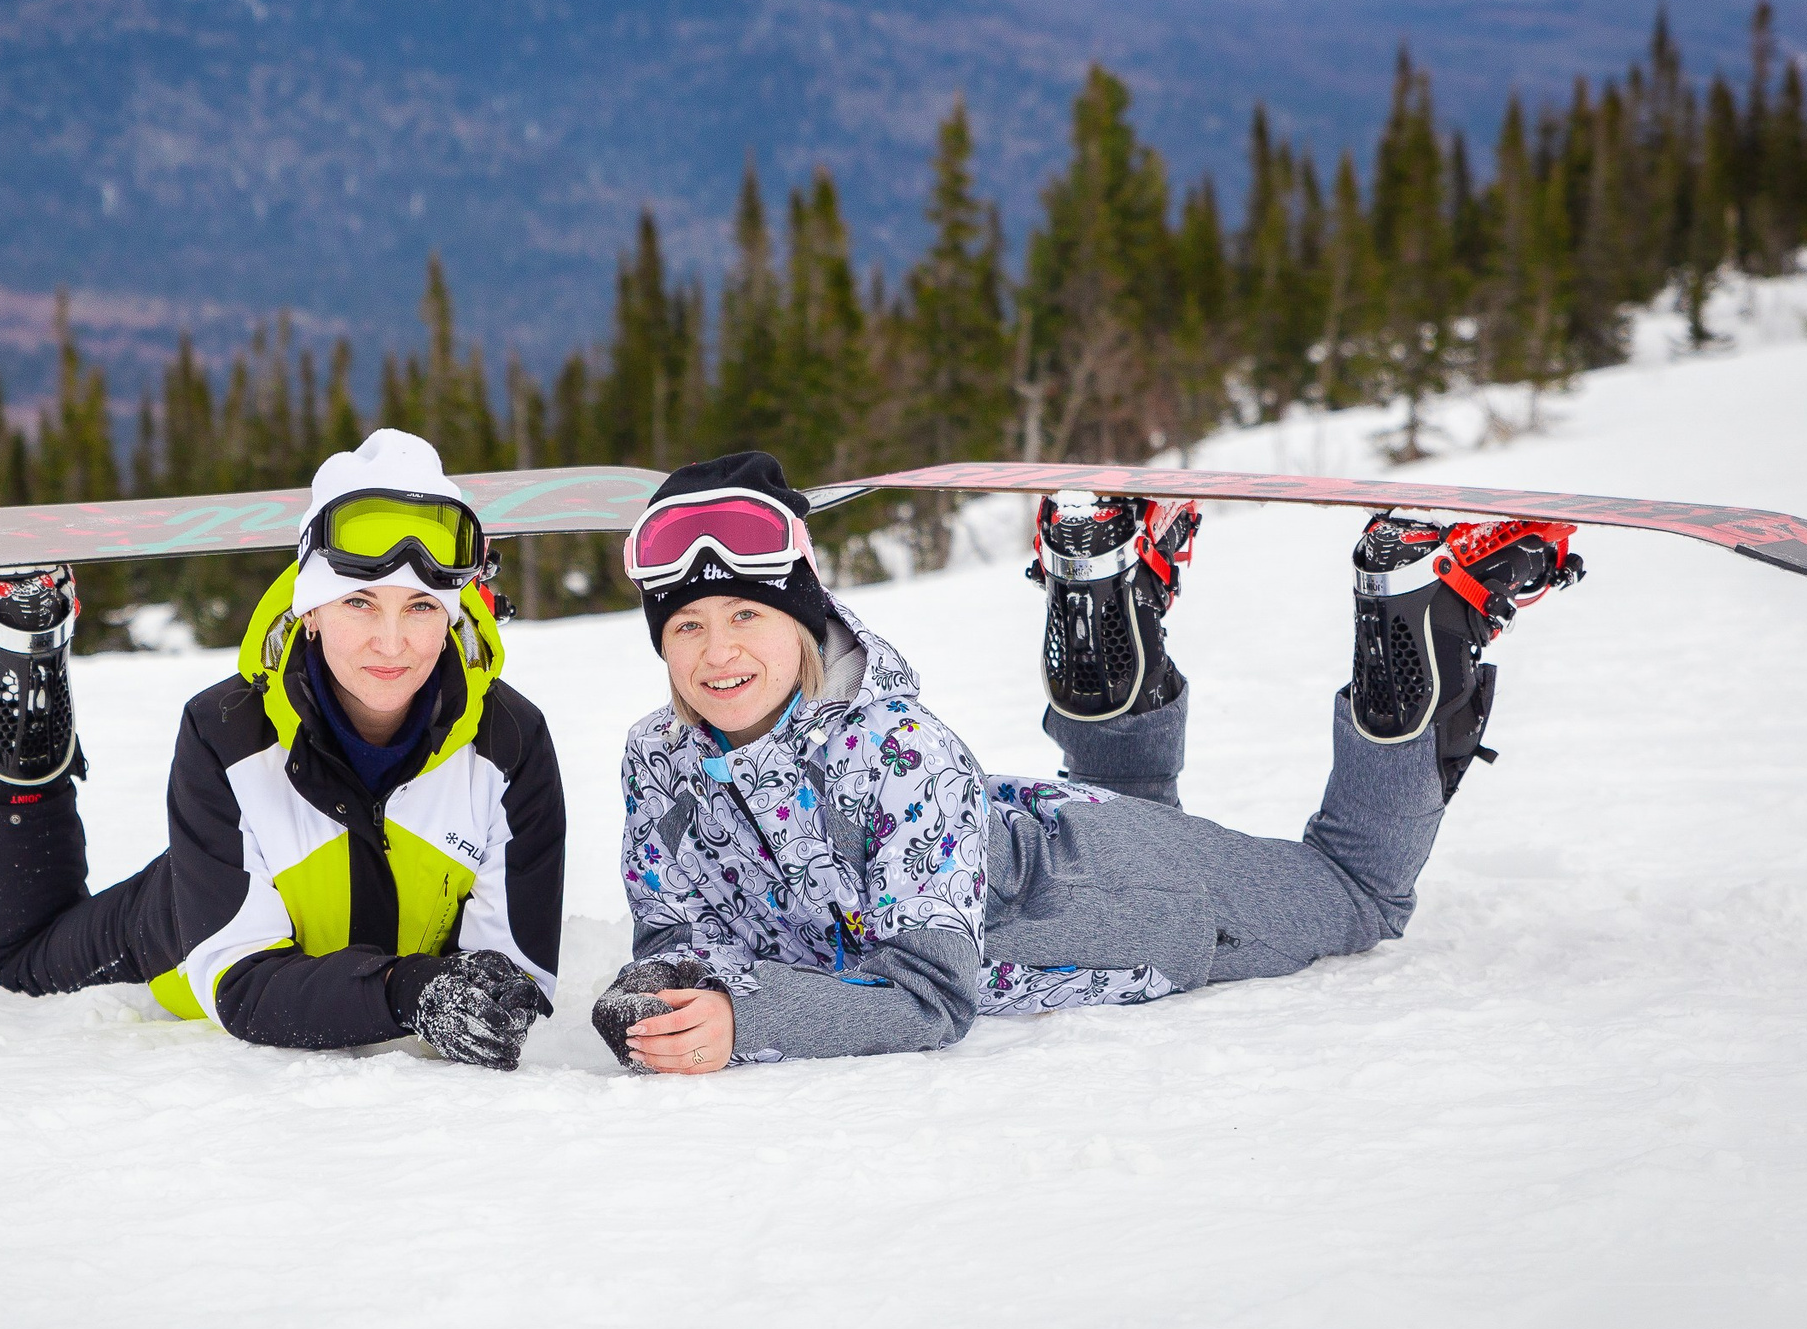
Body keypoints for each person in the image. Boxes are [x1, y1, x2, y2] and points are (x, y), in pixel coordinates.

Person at [591, 452, 1583, 1073]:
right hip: (1027, 831)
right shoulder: (661, 756)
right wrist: (663, 989)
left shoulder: (894, 751)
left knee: (1358, 893)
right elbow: (676, 919)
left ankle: (1427, 609)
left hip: (1101, 902)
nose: (717, 653)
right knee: (1141, 805)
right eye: (687, 626)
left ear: (804, 617)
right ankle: (1105, 593)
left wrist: (744, 1021)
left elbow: (933, 999)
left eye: (747, 616)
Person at [0, 430, 566, 1070]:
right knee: (25, 961)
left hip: (335, 949)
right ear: (309, 609)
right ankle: (15, 655)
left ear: (454, 614)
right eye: (359, 603)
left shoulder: (511, 744)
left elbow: (510, 990)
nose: (391, 644)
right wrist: (408, 991)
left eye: (420, 607)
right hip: (183, 929)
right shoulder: (225, 732)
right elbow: (244, 986)